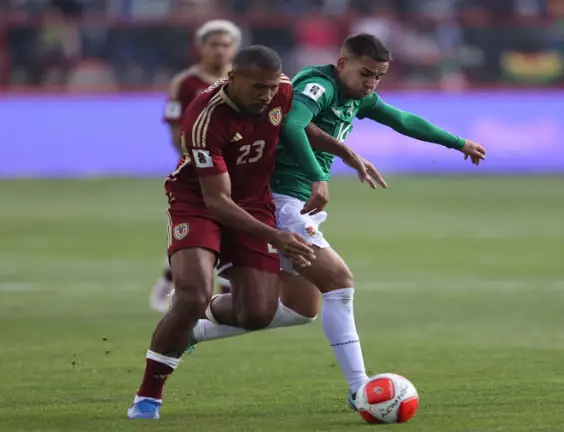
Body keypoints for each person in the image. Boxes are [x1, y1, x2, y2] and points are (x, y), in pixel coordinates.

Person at [187, 33, 487, 409]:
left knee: (300, 309)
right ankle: (359, 388)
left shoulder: (355, 97)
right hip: (279, 200)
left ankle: (191, 328)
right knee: (339, 283)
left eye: (378, 76)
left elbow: (402, 119)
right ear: (342, 63)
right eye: (366, 74)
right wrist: (319, 175)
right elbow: (293, 125)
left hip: (290, 203)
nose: (371, 83)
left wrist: (458, 143)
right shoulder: (319, 86)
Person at [127, 45, 371, 420]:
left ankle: (190, 319)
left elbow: (299, 126)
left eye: (272, 87)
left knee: (257, 313)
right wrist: (276, 236)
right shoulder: (205, 118)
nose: (267, 95)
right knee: (193, 294)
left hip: (254, 202)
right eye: (258, 87)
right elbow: (218, 201)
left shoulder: (282, 90)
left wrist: (344, 152)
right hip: (199, 201)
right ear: (232, 79)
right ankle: (148, 396)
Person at [150, 20, 242, 312]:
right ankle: (170, 278)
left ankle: (228, 293)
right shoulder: (186, 83)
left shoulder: (245, 79)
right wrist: (197, 160)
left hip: (238, 168)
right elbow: (175, 128)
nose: (220, 50)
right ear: (201, 47)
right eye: (214, 44)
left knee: (233, 227)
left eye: (225, 44)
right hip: (198, 170)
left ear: (234, 48)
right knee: (198, 231)